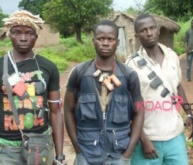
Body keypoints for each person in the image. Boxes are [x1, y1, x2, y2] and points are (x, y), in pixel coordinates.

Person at [64, 20, 144, 165]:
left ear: (117, 42)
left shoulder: (128, 75)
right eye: (101, 39)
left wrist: (126, 156)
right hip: (86, 154)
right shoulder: (79, 73)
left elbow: (139, 112)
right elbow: (68, 111)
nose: (105, 43)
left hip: (118, 154)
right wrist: (78, 151)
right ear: (93, 41)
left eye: (110, 39)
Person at [126, 13, 193, 165]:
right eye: (143, 30)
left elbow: (178, 86)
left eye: (152, 28)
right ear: (137, 35)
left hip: (175, 136)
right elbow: (127, 106)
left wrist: (189, 113)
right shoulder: (131, 65)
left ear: (158, 30)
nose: (149, 33)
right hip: (147, 139)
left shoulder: (172, 56)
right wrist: (143, 139)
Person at [0, 10, 64, 165]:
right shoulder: (1, 65)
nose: (23, 38)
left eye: (29, 33)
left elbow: (56, 113)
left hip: (41, 146)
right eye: (16, 32)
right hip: (6, 149)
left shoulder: (48, 67)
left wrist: (60, 155)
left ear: (36, 36)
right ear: (9, 35)